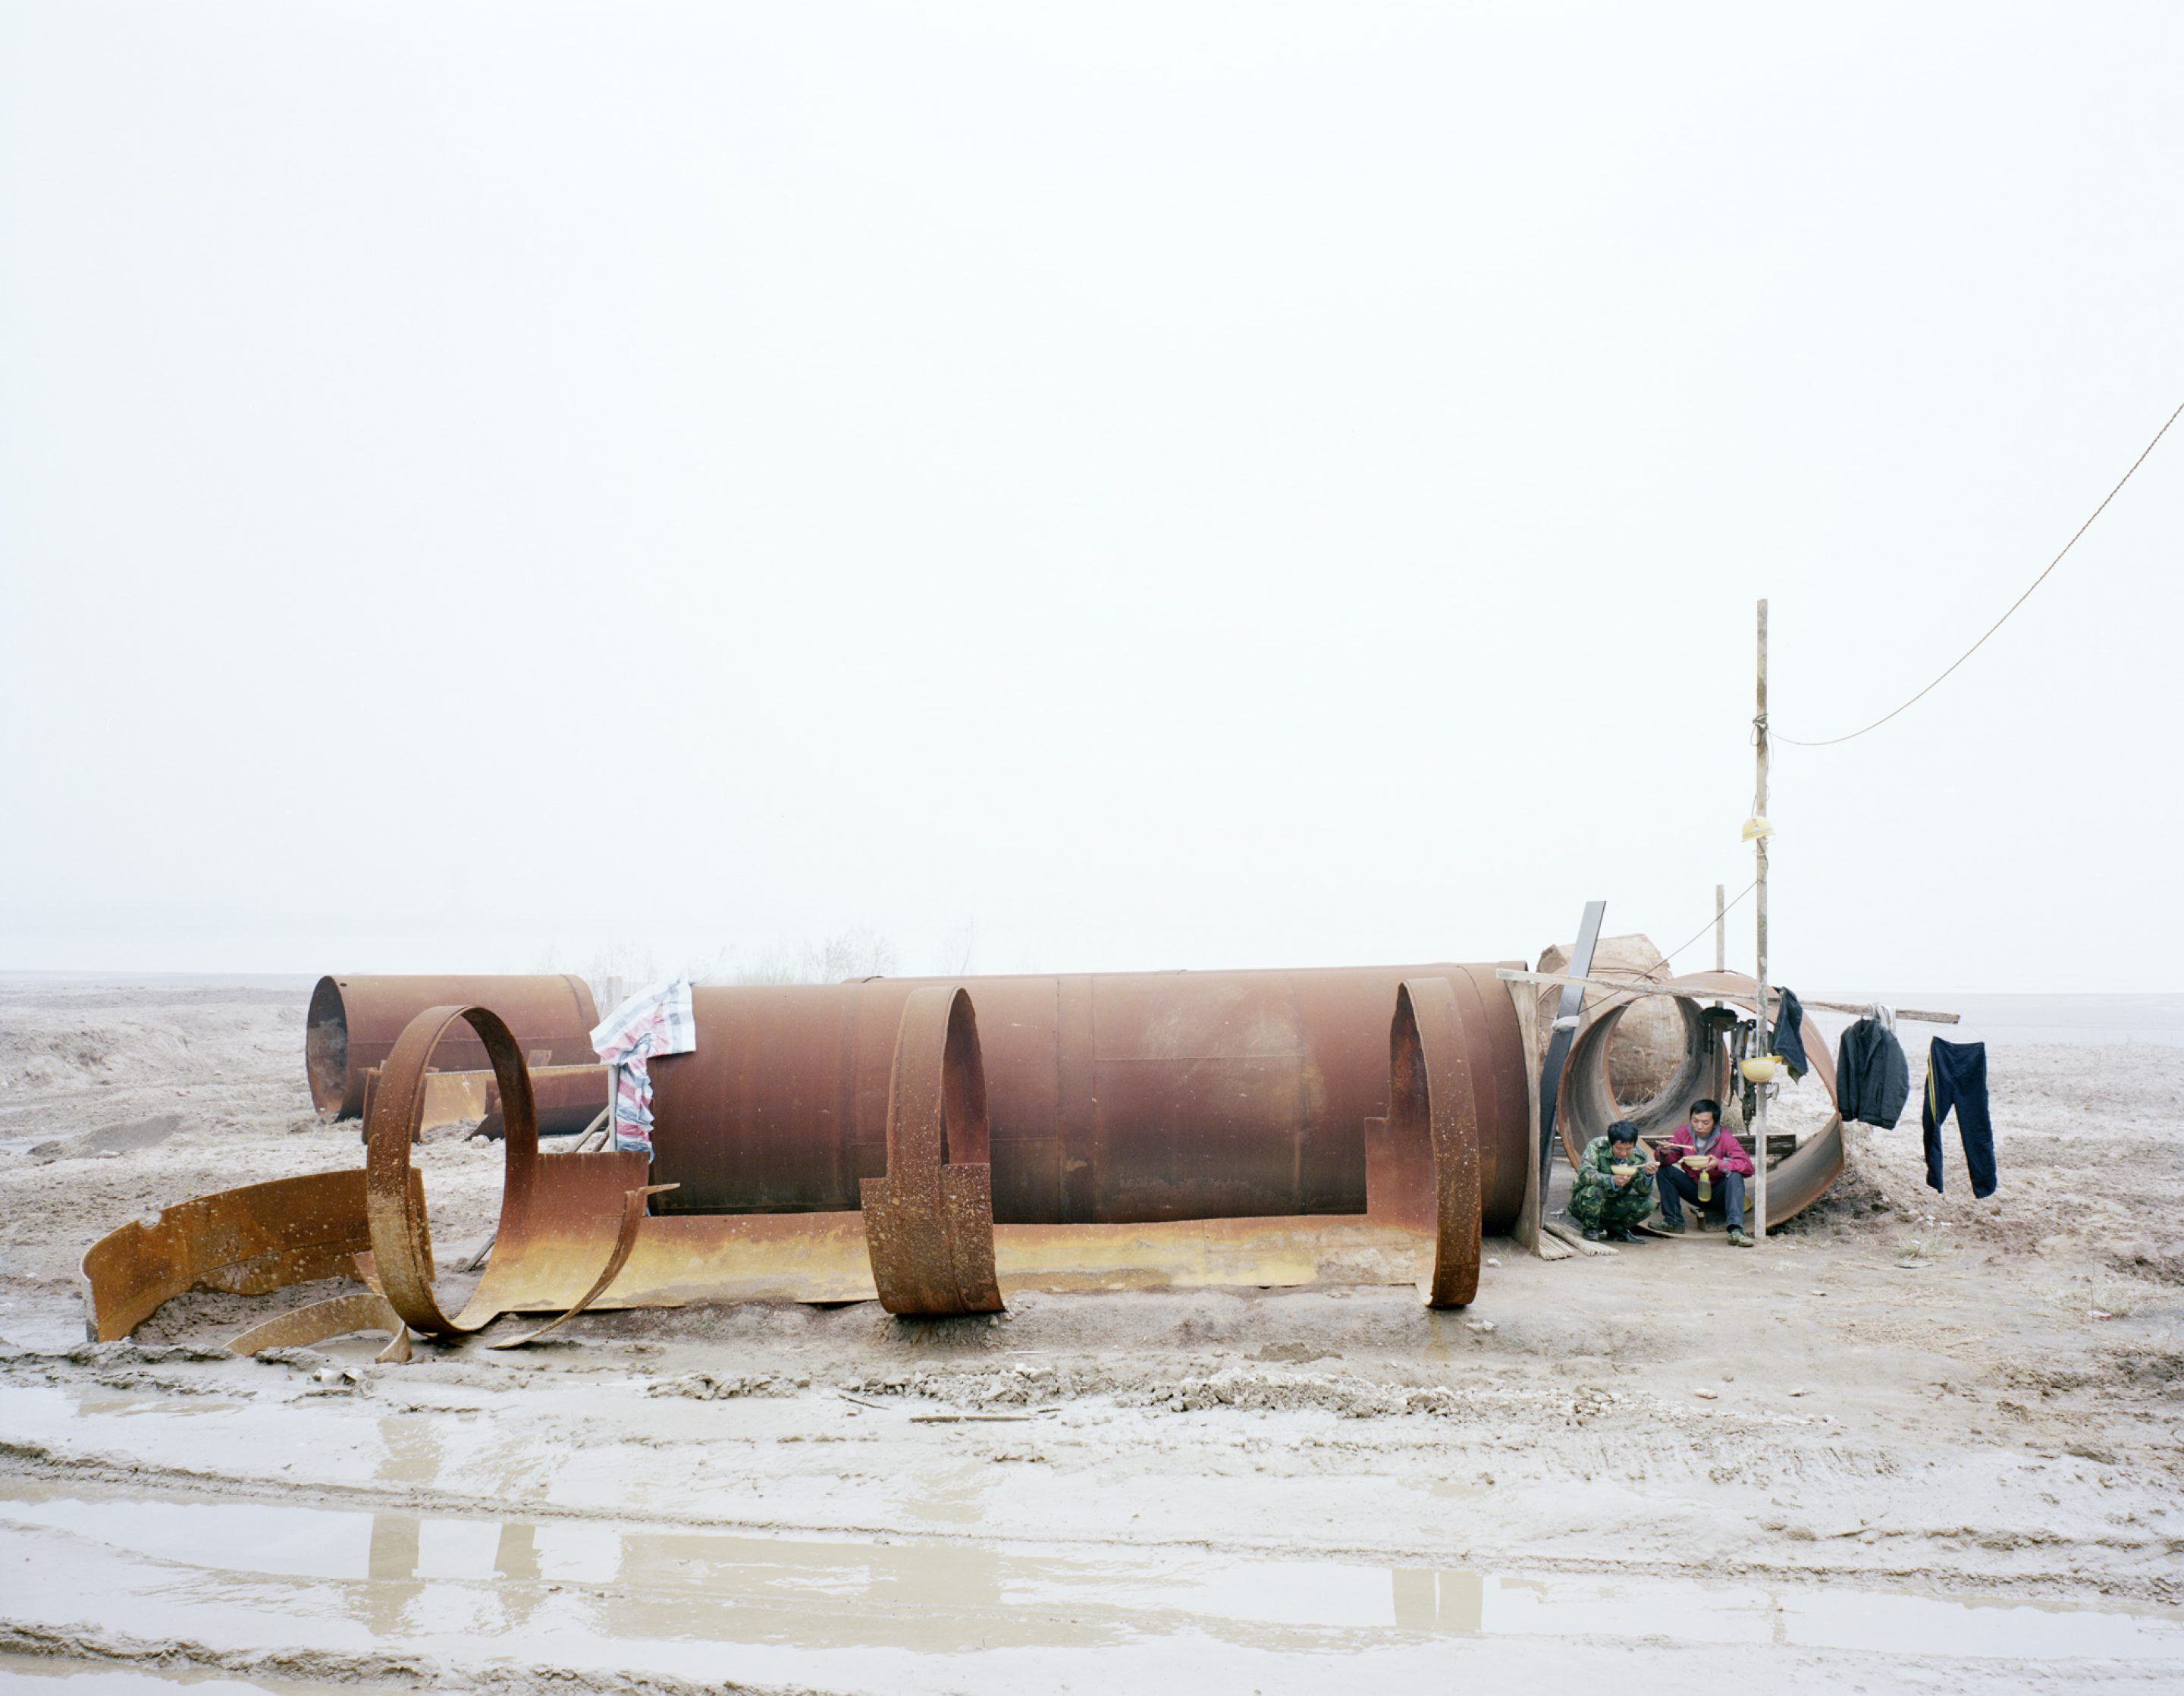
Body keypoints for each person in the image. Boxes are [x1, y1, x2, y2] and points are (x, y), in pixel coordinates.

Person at [1649, 1097, 1756, 1247]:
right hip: (1694, 1189)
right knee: (1664, 1170)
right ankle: (1673, 1221)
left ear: (1715, 1123)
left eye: (1705, 1122)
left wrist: (1719, 1164)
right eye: (1695, 1121)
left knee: (1735, 1175)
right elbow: (1668, 1159)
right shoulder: (1683, 1134)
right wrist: (1665, 1152)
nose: (1699, 1126)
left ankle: (1735, 1230)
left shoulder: (1725, 1139)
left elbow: (1748, 1167)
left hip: (1719, 1193)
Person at [1569, 1120, 1655, 1242]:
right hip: (1585, 1203)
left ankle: (1616, 1230)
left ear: (1634, 1144)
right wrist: (1610, 1180)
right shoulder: (1597, 1146)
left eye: (1629, 1149)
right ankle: (1591, 1229)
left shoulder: (1639, 1156)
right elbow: (1585, 1173)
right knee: (1595, 1191)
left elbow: (1643, 1192)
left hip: (1614, 1202)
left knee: (1649, 1204)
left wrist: (1648, 1176)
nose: (1624, 1153)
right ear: (1610, 1143)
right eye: (1619, 1148)